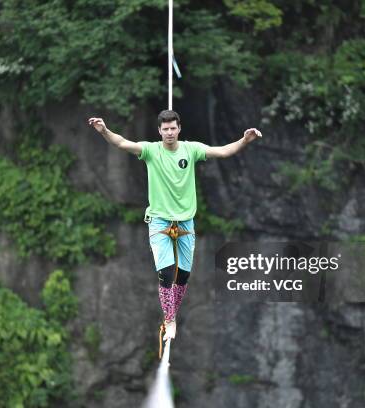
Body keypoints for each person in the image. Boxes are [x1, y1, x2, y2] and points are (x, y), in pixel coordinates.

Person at [88, 110, 262, 344]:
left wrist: (245, 140)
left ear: (179, 128)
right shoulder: (151, 151)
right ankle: (169, 318)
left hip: (185, 222)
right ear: (159, 131)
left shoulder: (190, 150)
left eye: (173, 128)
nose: (169, 132)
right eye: (165, 129)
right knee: (167, 271)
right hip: (160, 221)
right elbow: (121, 143)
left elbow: (222, 151)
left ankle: (173, 312)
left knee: (183, 276)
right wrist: (104, 131)